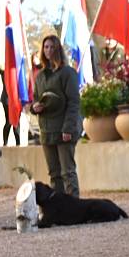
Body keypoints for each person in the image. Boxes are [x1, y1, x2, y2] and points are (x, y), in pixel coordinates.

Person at [31, 35, 81, 197]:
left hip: (64, 130)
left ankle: (73, 208)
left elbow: (73, 103)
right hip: (47, 130)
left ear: (58, 49)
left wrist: (68, 128)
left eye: (52, 47)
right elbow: (35, 99)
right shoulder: (40, 76)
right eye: (45, 47)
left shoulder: (68, 73)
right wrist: (34, 107)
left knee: (67, 172)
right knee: (54, 174)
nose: (48, 50)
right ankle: (59, 209)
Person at [0, 67, 20, 146]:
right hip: (6, 99)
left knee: (16, 122)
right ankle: (5, 143)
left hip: (17, 99)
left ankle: (18, 143)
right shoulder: (5, 71)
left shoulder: (18, 70)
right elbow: (1, 69)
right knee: (9, 121)